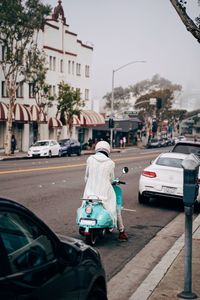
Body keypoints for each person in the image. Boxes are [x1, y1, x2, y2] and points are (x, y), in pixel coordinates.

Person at [83, 140, 128, 241]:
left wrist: (90, 184)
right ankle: (121, 232)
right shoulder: (110, 163)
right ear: (108, 150)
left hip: (90, 192)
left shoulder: (90, 159)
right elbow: (111, 179)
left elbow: (86, 177)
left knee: (85, 205)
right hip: (104, 193)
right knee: (116, 208)